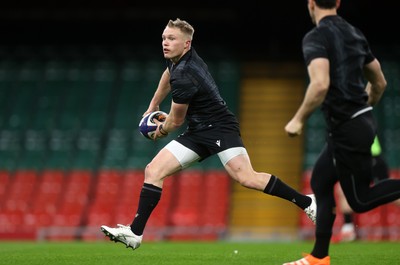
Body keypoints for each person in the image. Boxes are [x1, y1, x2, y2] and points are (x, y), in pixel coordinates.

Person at [100, 18, 316, 250]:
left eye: (171, 39)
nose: (165, 42)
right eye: (164, 37)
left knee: (246, 177)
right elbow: (167, 74)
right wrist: (153, 105)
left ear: (187, 44)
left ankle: (307, 202)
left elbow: (175, 121)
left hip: (220, 127)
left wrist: (159, 131)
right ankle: (135, 233)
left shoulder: (185, 74)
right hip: (198, 130)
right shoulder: (177, 61)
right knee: (153, 170)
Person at [283, 0, 400, 264]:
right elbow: (379, 82)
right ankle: (319, 257)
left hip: (348, 128)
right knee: (321, 181)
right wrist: (364, 109)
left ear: (311, 4)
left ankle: (319, 257)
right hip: (354, 124)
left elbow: (320, 85)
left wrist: (298, 119)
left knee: (359, 199)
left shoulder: (316, 36)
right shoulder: (354, 33)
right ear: (337, 3)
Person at [333, 135, 400, 243]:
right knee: (342, 189)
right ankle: (348, 229)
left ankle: (348, 229)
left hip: (372, 159)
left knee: (390, 195)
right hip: (358, 161)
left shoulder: (359, 122)